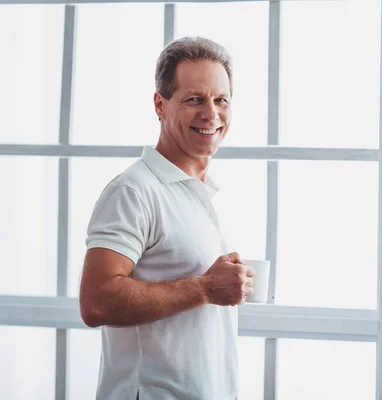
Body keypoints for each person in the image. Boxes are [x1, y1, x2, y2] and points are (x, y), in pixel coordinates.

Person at [78, 36, 254, 400]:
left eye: (221, 99)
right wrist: (204, 288)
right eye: (194, 99)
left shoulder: (206, 194)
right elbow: (96, 302)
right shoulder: (133, 190)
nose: (211, 113)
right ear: (160, 104)